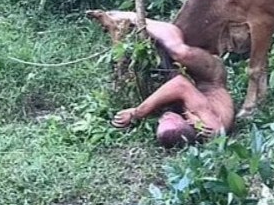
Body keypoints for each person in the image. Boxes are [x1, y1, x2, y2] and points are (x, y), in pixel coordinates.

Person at [85, 9, 235, 148]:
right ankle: (133, 17)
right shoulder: (208, 125)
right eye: (168, 119)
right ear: (185, 123)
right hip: (210, 78)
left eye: (160, 122)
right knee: (180, 52)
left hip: (190, 86)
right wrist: (137, 113)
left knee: (133, 71)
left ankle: (115, 29)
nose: (163, 118)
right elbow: (180, 85)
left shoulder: (189, 123)